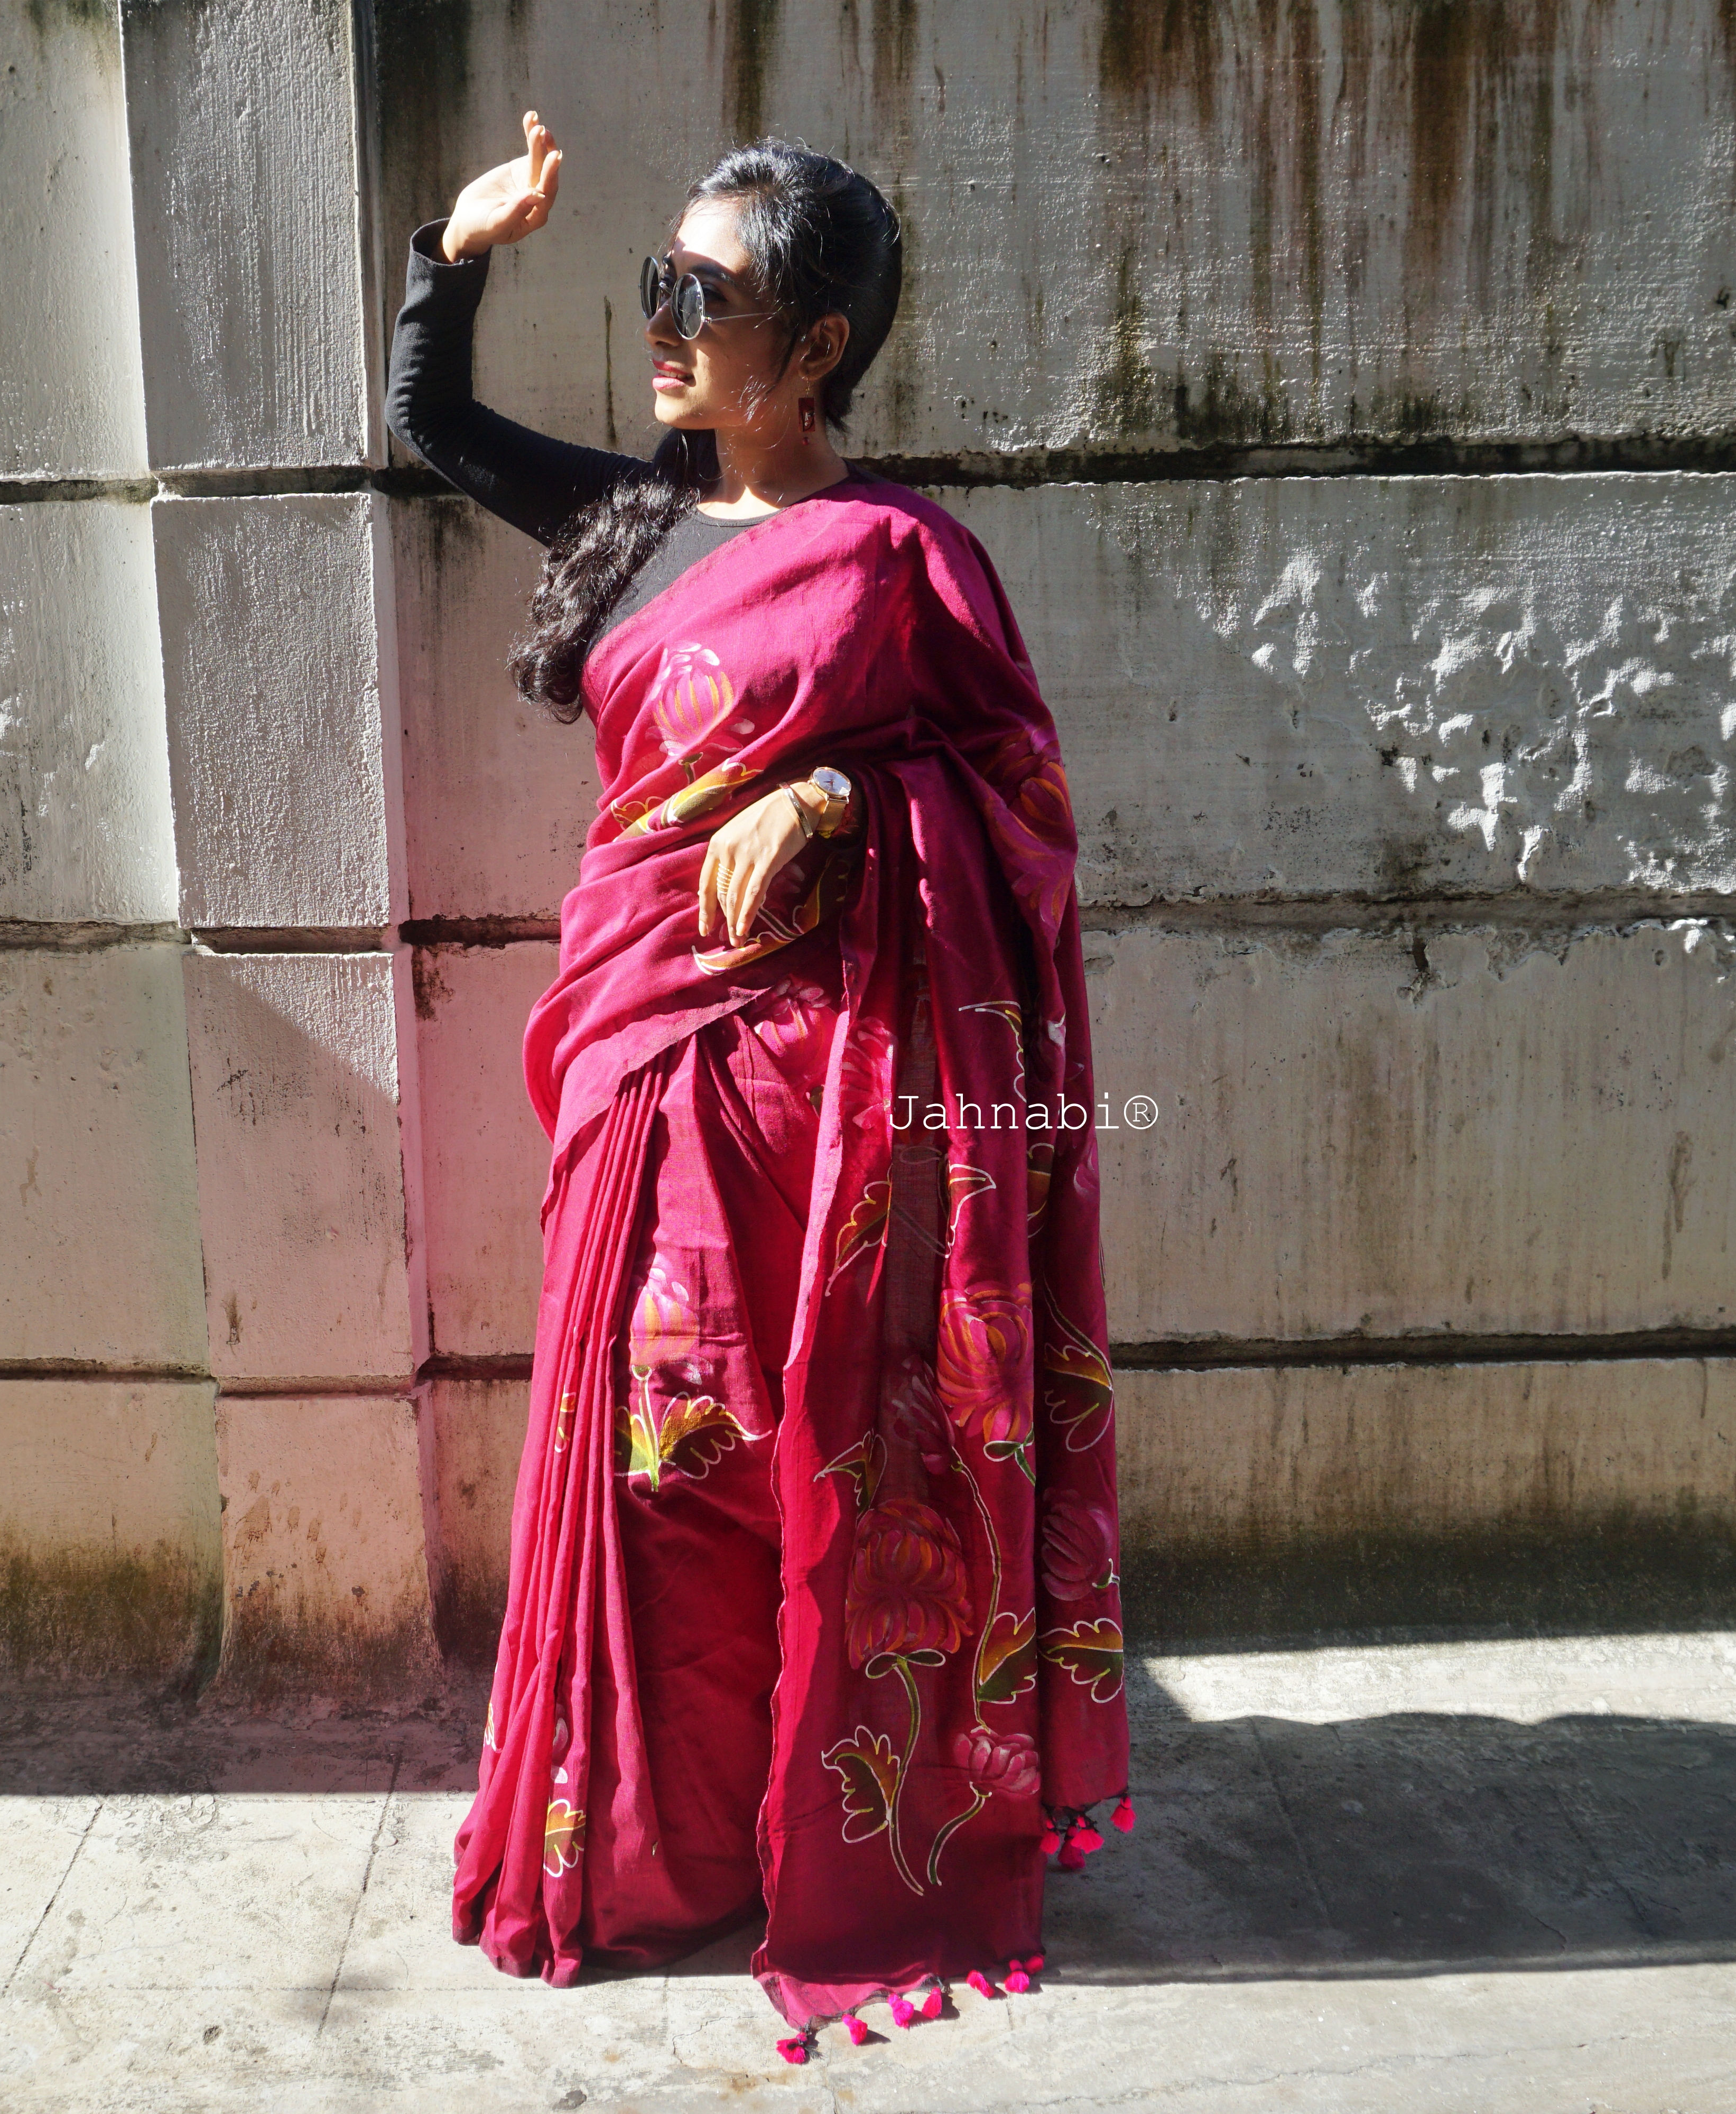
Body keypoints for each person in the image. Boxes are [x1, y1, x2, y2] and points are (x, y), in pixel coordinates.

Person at [386, 112, 1130, 2057]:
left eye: (700, 295)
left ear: (815, 347)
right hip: (640, 1076)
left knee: (793, 1467)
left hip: (834, 1110)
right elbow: (434, 424)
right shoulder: (631, 523)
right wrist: (455, 252)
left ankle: (822, 1829)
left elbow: (1022, 808)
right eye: (656, 282)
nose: (659, 320)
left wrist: (839, 798)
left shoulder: (904, 562)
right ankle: (657, 1853)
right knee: (657, 1467)